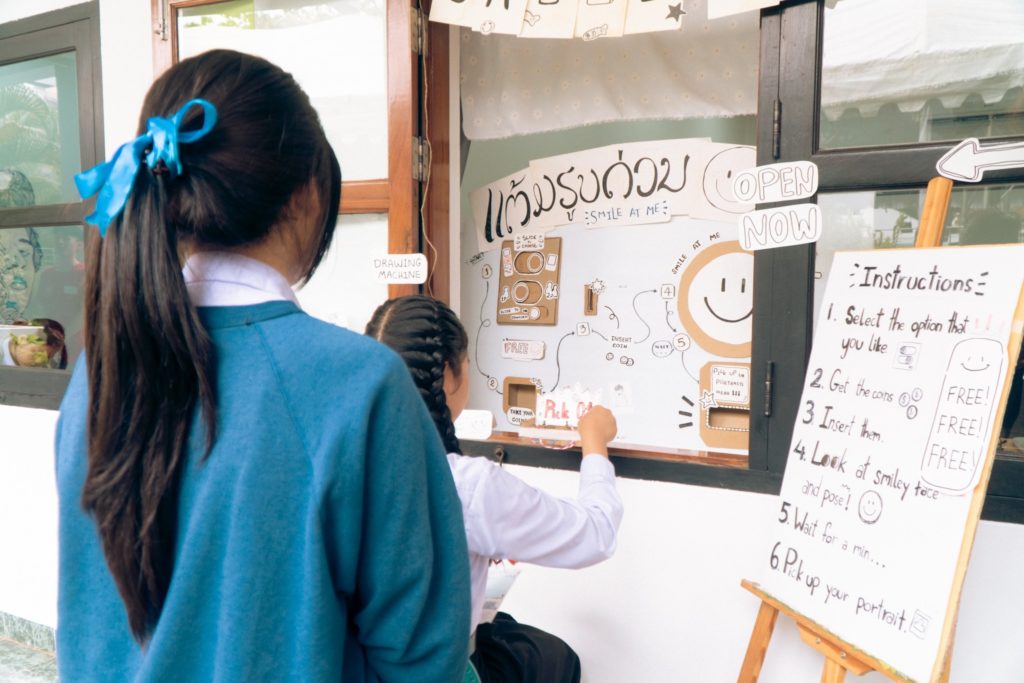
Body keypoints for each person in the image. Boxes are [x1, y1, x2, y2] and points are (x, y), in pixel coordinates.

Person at [56, 50, 469, 682]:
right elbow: (423, 659)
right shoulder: (359, 387)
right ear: (307, 196)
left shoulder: (98, 376)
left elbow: (90, 620)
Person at [366, 295, 623, 683]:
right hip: (434, 672)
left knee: (509, 631)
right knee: (550, 657)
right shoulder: (468, 485)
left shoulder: (345, 463)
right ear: (449, 374)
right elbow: (595, 534)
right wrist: (594, 443)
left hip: (358, 664)